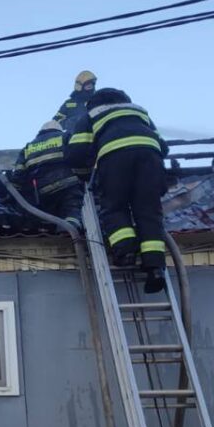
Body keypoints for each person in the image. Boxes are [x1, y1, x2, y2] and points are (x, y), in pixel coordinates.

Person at [66, 88, 170, 292]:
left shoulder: (92, 115)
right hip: (151, 159)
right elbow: (163, 147)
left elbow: (76, 152)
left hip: (115, 160)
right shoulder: (140, 112)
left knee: (114, 205)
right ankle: (155, 268)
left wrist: (84, 169)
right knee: (149, 211)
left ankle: (125, 252)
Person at [12, 118, 83, 226]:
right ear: (58, 130)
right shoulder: (65, 137)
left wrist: (15, 193)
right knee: (72, 208)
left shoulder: (29, 147)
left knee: (51, 216)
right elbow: (78, 155)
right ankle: (71, 229)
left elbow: (18, 174)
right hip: (68, 184)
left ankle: (57, 228)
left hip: (42, 190)